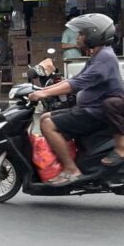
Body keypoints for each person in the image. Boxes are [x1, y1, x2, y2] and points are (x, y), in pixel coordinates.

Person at [30, 13, 124, 185]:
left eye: (82, 34)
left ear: (94, 36)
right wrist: (42, 90)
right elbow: (74, 79)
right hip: (91, 109)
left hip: (96, 112)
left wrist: (44, 94)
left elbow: (77, 84)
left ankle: (71, 169)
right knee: (45, 117)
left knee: (48, 124)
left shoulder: (104, 58)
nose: (78, 37)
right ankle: (71, 160)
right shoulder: (98, 55)